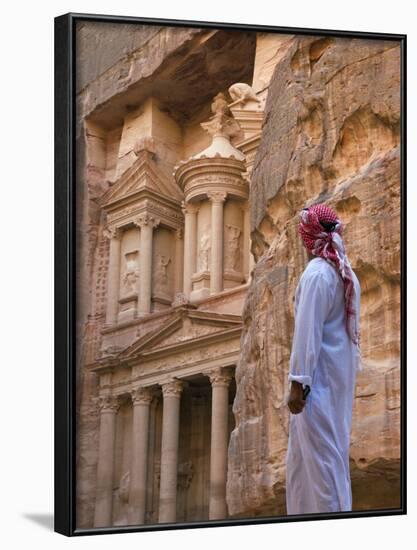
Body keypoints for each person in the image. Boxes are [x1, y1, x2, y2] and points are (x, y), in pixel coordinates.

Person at [285, 203, 362, 515]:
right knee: (305, 466)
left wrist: (298, 384)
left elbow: (307, 333)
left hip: (316, 388)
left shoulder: (317, 274)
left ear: (309, 238)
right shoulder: (343, 273)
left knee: (322, 466)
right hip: (333, 383)